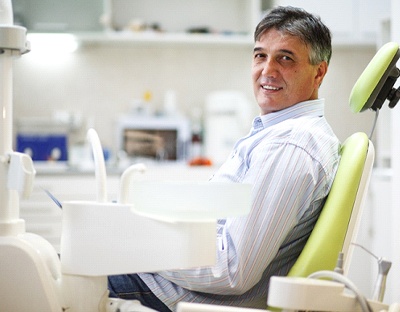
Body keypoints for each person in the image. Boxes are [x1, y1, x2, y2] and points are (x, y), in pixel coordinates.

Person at [108, 6, 340, 312]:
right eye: (260, 55)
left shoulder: (291, 145)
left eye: (285, 58)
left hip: (173, 296)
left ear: (318, 72)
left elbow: (232, 270)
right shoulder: (278, 132)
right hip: (172, 283)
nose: (267, 70)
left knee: (48, 271)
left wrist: (139, 243)